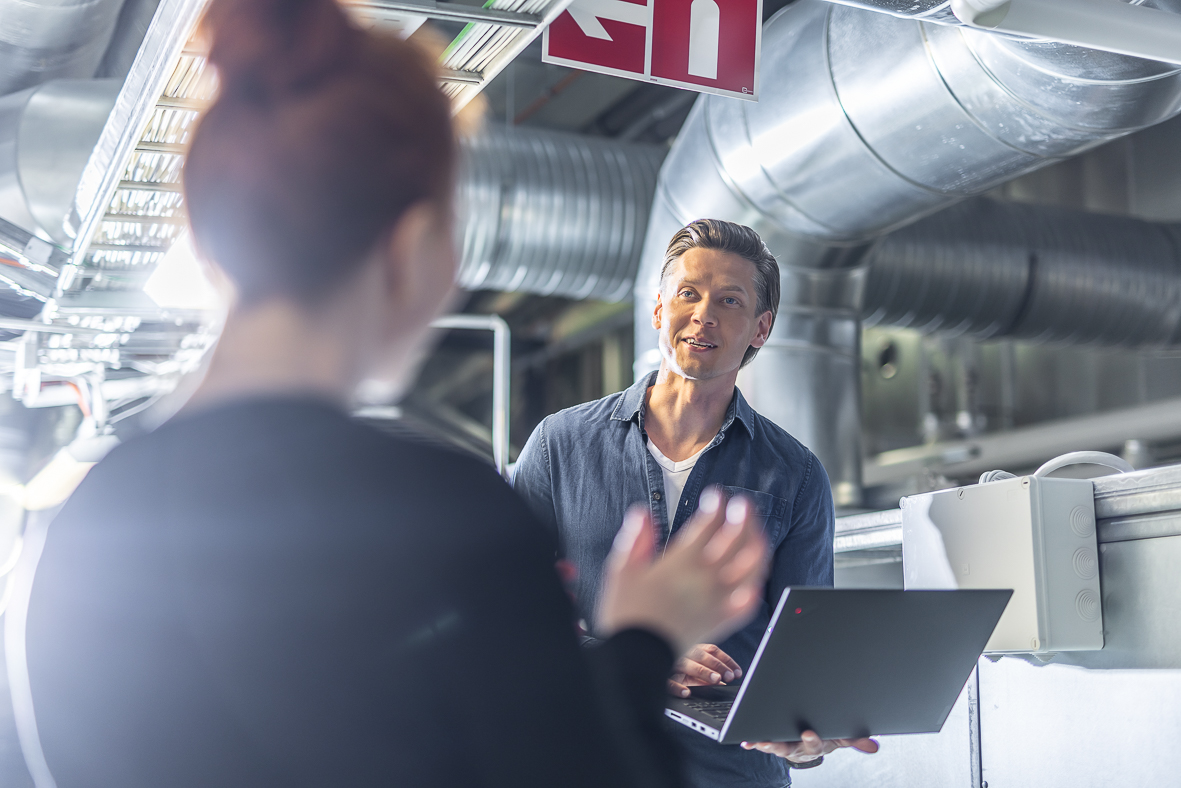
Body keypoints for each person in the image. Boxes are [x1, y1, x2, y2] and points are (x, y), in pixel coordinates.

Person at [12, 2, 771, 786]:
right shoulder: (447, 516)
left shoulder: (80, 525)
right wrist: (644, 639)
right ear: (412, 248)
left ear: (207, 240)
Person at [513, 219, 879, 788]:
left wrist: (806, 743)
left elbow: (797, 658)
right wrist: (637, 653)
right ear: (659, 309)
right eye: (689, 293)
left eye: (729, 300)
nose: (704, 314)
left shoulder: (797, 476)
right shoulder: (559, 446)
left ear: (761, 328)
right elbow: (513, 625)